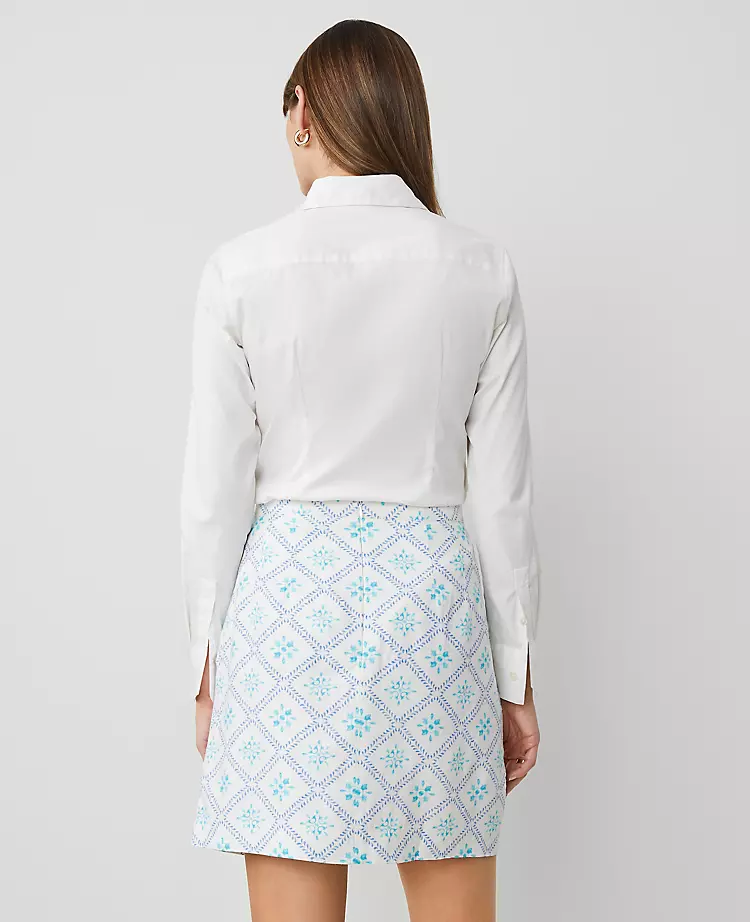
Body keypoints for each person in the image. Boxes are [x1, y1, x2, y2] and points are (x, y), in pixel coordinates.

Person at [181, 18, 541, 922]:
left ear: (302, 112)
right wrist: (514, 679)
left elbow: (213, 497)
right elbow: (503, 502)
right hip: (432, 614)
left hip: (287, 616)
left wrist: (207, 667)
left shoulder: (240, 270)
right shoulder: (482, 268)